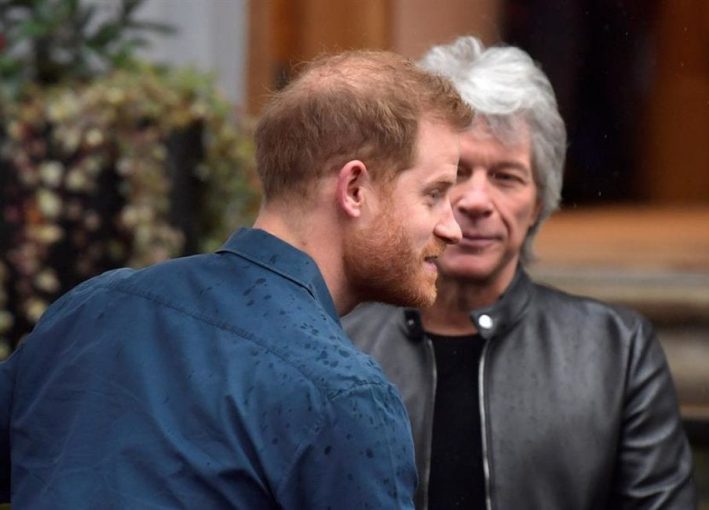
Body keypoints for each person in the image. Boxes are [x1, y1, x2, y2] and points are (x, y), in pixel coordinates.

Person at [0, 49, 473, 508]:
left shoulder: (92, 308)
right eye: (434, 194)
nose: (452, 227)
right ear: (354, 189)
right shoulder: (343, 395)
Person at [344, 36, 696, 510]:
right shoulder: (343, 343)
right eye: (454, 174)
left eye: (506, 177)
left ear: (538, 203)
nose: (475, 201)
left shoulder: (615, 351)